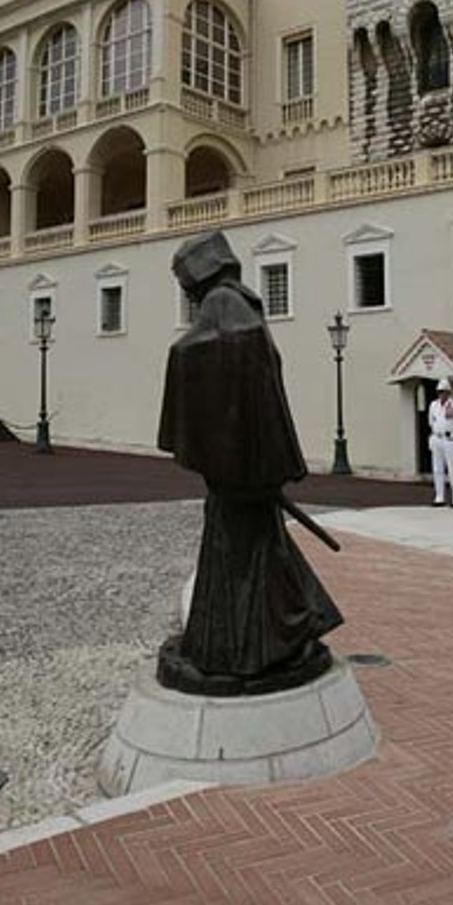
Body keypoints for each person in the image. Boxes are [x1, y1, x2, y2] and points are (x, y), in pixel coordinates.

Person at [156, 231, 343, 696]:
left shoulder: (224, 305)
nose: (186, 294)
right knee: (256, 554)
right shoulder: (239, 304)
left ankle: (245, 650)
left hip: (240, 472)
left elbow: (205, 351)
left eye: (185, 283)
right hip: (249, 469)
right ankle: (256, 641)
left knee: (244, 559)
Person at [426, 379, 453, 508]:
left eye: (444, 392)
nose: (442, 394)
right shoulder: (433, 405)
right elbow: (431, 422)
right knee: (437, 469)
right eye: (439, 392)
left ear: (449, 392)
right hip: (437, 438)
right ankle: (439, 496)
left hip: (450, 439)